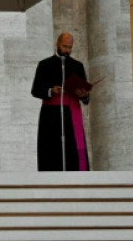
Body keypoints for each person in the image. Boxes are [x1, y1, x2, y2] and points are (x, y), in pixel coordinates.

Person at [31, 32, 91, 171]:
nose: (67, 50)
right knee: (51, 150)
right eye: (65, 46)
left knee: (73, 150)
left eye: (70, 47)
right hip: (51, 115)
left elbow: (86, 98)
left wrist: (83, 95)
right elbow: (35, 90)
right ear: (57, 44)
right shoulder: (44, 64)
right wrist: (51, 91)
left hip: (71, 114)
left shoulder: (77, 66)